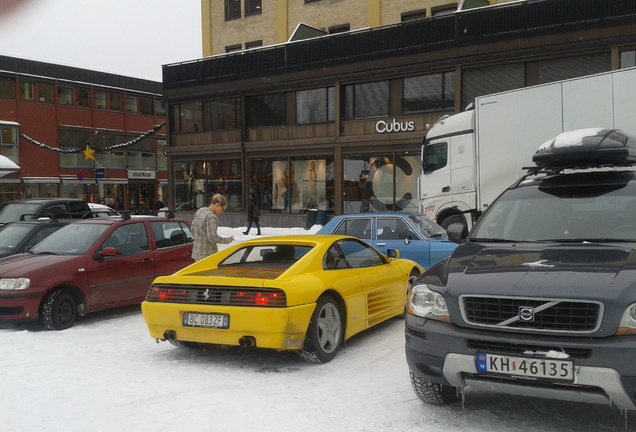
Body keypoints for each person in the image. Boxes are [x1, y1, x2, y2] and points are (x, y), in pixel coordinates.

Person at [191, 194, 234, 261]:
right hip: (208, 254)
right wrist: (226, 240)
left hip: (197, 252)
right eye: (222, 209)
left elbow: (193, 228)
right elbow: (212, 237)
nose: (222, 212)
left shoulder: (200, 211)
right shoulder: (211, 217)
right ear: (217, 205)